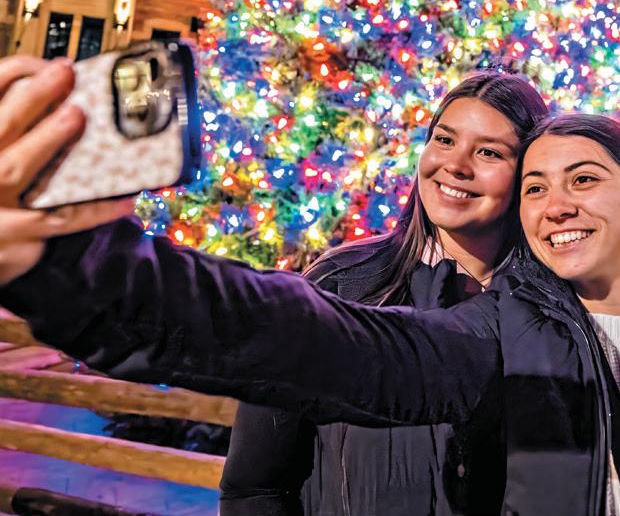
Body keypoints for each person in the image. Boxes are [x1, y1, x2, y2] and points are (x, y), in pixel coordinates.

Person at [0, 57, 620, 516]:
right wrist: (77, 263)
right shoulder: (501, 324)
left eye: (578, 177)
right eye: (538, 184)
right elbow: (312, 345)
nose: (554, 202)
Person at [223, 70, 547, 515]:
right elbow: (254, 487)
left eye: (488, 152)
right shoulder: (340, 285)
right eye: (444, 140)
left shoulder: (552, 312)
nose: (456, 165)